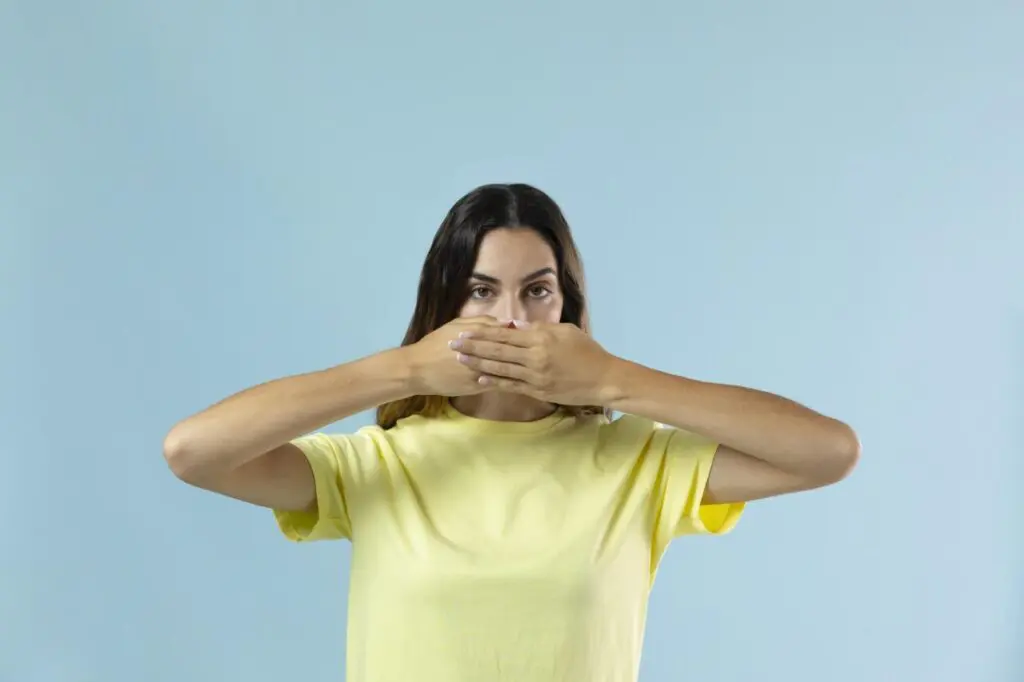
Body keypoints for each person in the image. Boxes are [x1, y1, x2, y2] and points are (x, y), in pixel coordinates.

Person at [163, 182, 860, 682]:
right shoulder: (373, 468)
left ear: (566, 306)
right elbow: (192, 452)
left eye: (537, 290)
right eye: (480, 291)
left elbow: (828, 452)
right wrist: (406, 369)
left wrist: (611, 380)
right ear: (445, 304)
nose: (511, 322)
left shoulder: (638, 461)